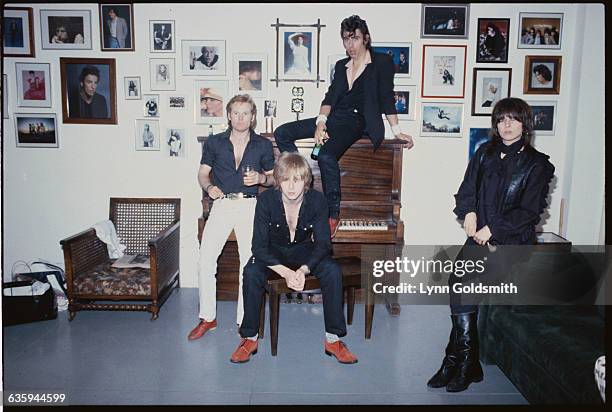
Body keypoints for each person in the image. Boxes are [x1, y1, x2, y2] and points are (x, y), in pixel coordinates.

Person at [427, 97, 555, 392]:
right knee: (459, 283)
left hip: (511, 244)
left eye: (513, 119)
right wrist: (469, 213)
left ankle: (459, 361)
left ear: (525, 123)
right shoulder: (484, 153)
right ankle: (463, 362)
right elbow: (466, 190)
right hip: (478, 237)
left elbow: (529, 212)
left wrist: (492, 229)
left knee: (463, 285)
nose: (506, 125)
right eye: (501, 119)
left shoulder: (539, 165)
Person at [274, 15, 414, 238]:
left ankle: (333, 214)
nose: (350, 45)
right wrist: (321, 123)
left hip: (357, 120)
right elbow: (330, 96)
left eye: (355, 38)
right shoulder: (341, 66)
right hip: (334, 118)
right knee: (282, 132)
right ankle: (301, 175)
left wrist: (397, 132)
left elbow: (387, 98)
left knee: (326, 156)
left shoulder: (382, 63)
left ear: (365, 38)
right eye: (346, 39)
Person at [230, 152, 358, 364]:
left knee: (332, 270)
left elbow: (324, 244)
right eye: (286, 179)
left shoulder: (318, 200)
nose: (291, 186)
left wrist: (303, 270)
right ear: (278, 181)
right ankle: (249, 338)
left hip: (304, 251)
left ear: (306, 181)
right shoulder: (265, 201)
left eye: (297, 180)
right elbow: (258, 246)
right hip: (274, 253)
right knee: (251, 271)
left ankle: (333, 340)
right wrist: (287, 272)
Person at [188, 94, 275, 341]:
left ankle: (244, 322)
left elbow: (273, 178)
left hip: (250, 206)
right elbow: (203, 174)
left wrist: (261, 179)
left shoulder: (263, 145)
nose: (240, 118)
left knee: (248, 265)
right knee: (205, 261)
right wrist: (209, 188)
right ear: (228, 115)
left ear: (253, 117)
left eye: (245, 113)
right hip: (222, 204)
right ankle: (208, 318)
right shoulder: (214, 142)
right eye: (235, 113)